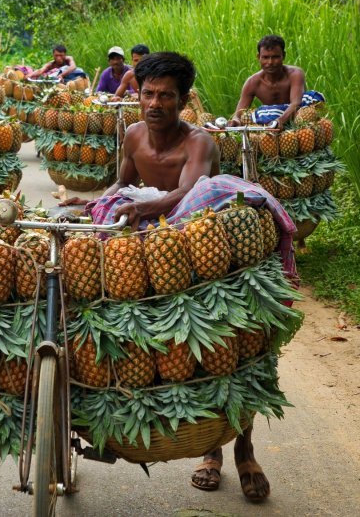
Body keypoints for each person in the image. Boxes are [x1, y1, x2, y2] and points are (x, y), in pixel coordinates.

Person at [61, 51, 298, 502]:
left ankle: (243, 452)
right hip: (148, 239)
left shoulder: (199, 143)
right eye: (147, 94)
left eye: (166, 96)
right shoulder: (132, 135)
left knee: (229, 341)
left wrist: (147, 208)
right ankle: (209, 451)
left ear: (183, 100)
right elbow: (122, 183)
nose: (154, 103)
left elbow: (191, 191)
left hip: (194, 241)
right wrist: (93, 202)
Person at [228, 35, 323, 127]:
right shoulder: (252, 82)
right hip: (270, 121)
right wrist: (235, 121)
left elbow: (295, 103)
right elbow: (239, 113)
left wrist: (280, 120)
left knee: (310, 101)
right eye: (265, 57)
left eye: (275, 57)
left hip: (295, 118)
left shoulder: (295, 74)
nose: (270, 62)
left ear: (283, 56)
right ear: (258, 57)